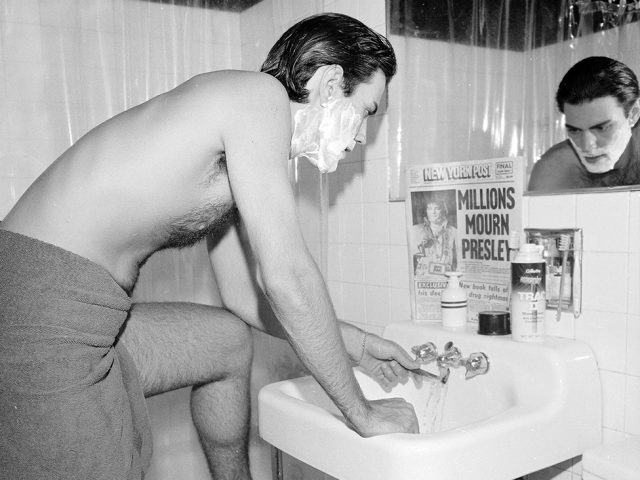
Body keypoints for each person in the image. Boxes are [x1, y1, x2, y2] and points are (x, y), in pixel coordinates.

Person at [0, 13, 421, 480]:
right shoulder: (259, 98)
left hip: (91, 316)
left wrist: (357, 345)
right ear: (329, 82)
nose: (362, 135)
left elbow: (244, 299)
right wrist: (363, 415)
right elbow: (287, 280)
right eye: (366, 111)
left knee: (225, 342)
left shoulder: (247, 149)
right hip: (33, 310)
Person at [528, 56, 640, 191]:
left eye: (601, 128)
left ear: (634, 114)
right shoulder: (554, 170)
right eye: (575, 130)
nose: (586, 146)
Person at [412, 193, 457, 276]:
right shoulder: (416, 230)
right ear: (426, 211)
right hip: (424, 279)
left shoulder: (453, 232)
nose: (433, 212)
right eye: (429, 208)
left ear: (443, 210)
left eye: (437, 208)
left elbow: (456, 263)